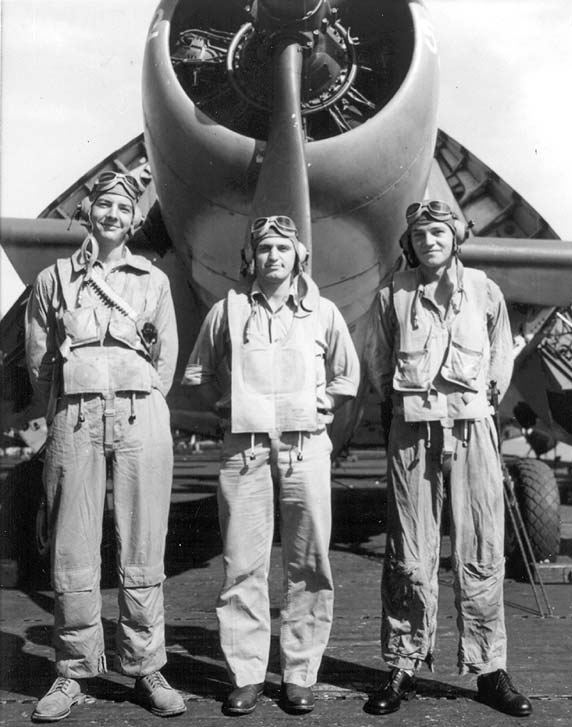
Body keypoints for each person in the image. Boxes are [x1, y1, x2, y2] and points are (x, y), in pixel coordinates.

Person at [183, 215, 360, 715]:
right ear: (252, 258)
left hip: (306, 448)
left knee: (309, 564)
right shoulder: (228, 311)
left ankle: (300, 674)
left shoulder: (322, 312)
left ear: (299, 256)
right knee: (243, 564)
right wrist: (226, 401)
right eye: (265, 249)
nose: (274, 257)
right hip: (246, 450)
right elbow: (197, 370)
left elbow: (348, 374)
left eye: (284, 248)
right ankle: (247, 675)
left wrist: (328, 406)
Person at [25, 172, 185, 721]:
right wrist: (71, 405)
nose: (113, 213)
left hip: (141, 413)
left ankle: (145, 667)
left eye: (123, 206)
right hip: (76, 415)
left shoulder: (152, 281)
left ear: (133, 218)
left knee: (143, 541)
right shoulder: (54, 280)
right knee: (73, 543)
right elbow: (41, 361)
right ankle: (72, 671)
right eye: (104, 204)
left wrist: (142, 402)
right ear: (88, 212)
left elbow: (165, 360)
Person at [364, 200, 532, 717]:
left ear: (454, 237)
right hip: (412, 434)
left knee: (480, 549)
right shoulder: (393, 294)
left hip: (472, 430)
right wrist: (407, 412)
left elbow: (501, 357)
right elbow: (378, 361)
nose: (428, 241)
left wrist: (477, 405)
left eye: (438, 232)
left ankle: (488, 669)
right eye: (419, 234)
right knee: (409, 554)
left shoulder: (484, 290)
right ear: (409, 244)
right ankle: (403, 663)